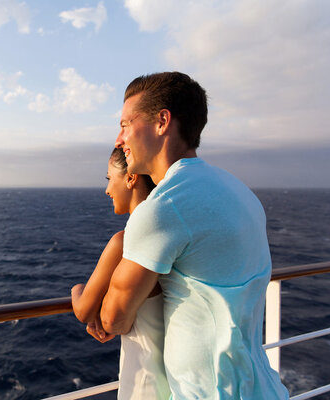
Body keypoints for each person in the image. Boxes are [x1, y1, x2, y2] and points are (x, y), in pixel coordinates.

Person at [98, 72, 289, 399]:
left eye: (126, 124)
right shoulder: (239, 191)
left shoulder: (164, 206)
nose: (119, 139)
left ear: (162, 122)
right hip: (261, 387)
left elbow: (112, 319)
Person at [71, 147, 170, 400]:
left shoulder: (123, 242)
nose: (107, 189)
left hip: (144, 382)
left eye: (108, 178)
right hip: (174, 379)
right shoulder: (171, 232)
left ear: (130, 178)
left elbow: (83, 310)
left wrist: (76, 289)